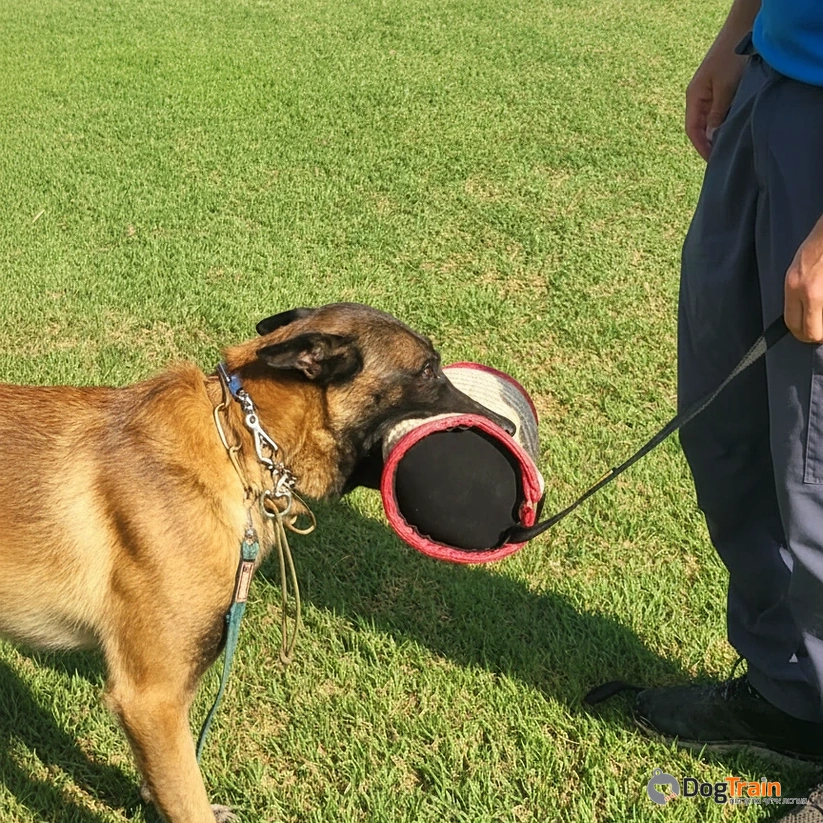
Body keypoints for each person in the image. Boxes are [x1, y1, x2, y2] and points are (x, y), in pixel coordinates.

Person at [630, 0, 823, 816]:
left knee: (816, 461)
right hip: (777, 79)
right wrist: (739, 33)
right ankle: (792, 698)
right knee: (727, 420)